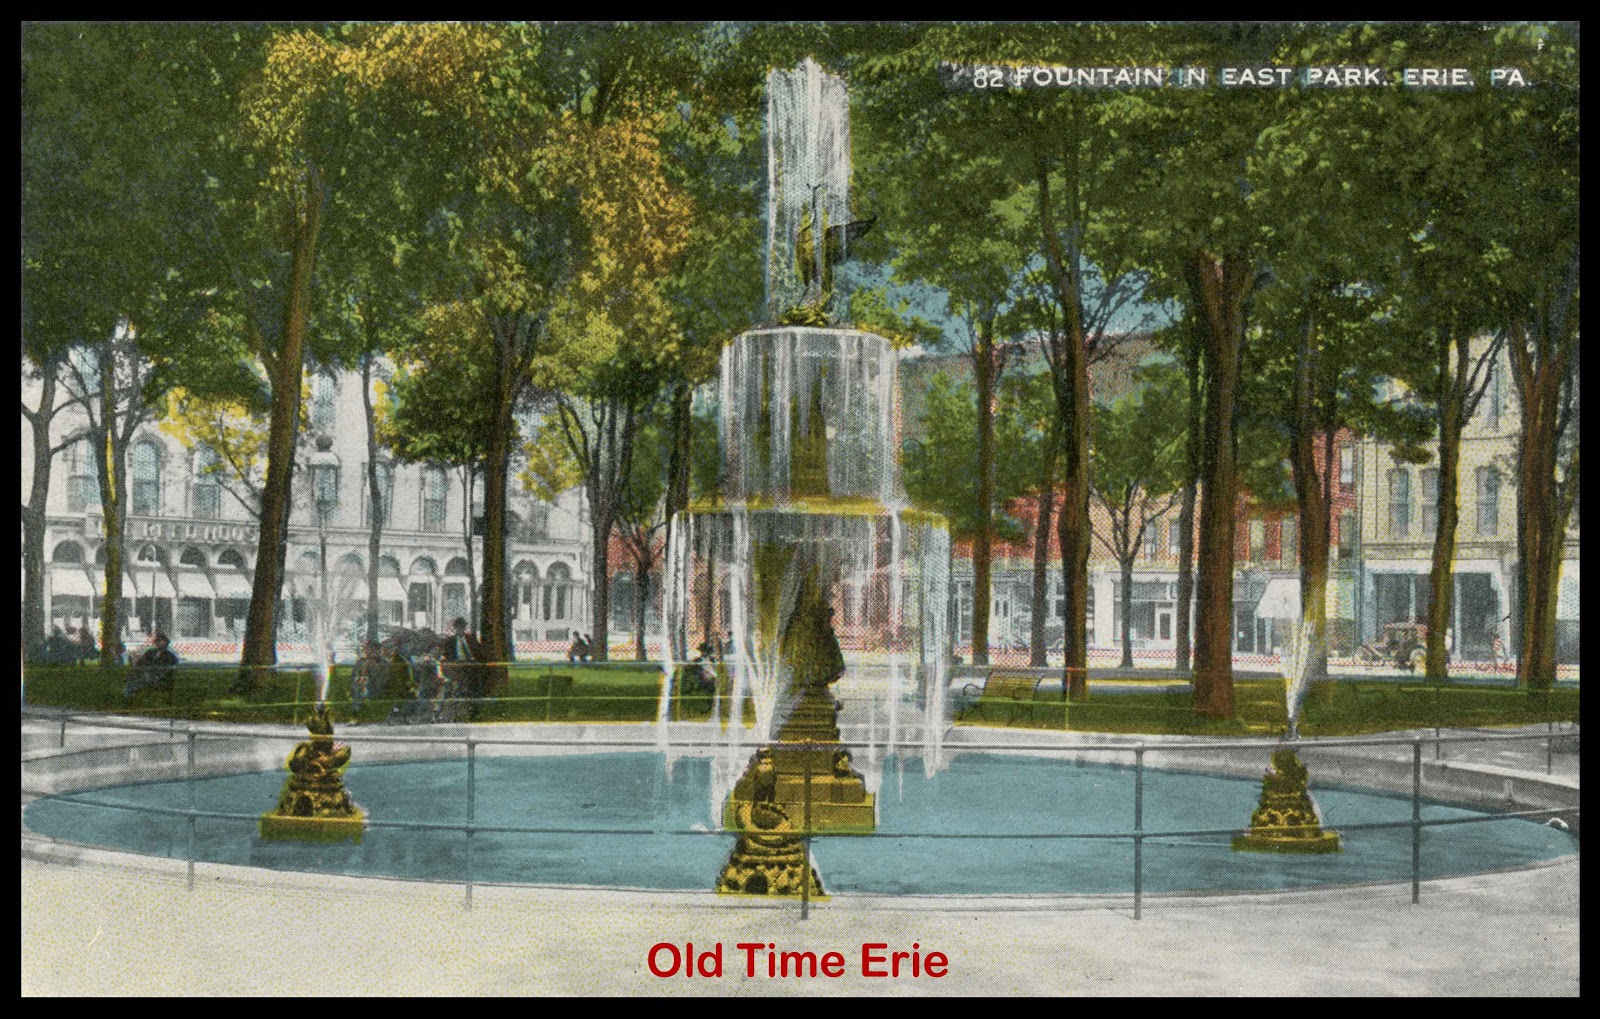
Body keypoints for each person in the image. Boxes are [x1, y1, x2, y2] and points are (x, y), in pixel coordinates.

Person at [124, 632, 179, 699]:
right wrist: (136, 659)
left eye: (161, 641)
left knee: (137, 681)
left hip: (160, 678)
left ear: (166, 643)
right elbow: (141, 663)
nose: (158, 643)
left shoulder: (170, 655)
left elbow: (170, 668)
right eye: (157, 641)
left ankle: (130, 697)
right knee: (133, 680)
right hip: (148, 675)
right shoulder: (150, 652)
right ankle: (130, 697)